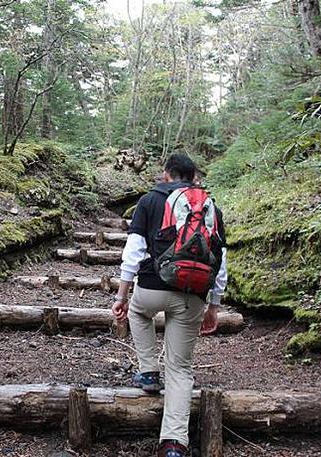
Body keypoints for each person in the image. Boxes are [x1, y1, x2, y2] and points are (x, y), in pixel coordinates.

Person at [111, 153, 227, 457]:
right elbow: (221, 261)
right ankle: (174, 443)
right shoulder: (210, 205)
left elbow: (133, 251)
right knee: (180, 369)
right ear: (194, 178)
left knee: (137, 312)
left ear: (166, 174)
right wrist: (214, 305)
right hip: (193, 293)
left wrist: (121, 296)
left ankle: (148, 371)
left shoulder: (149, 200)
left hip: (151, 288)